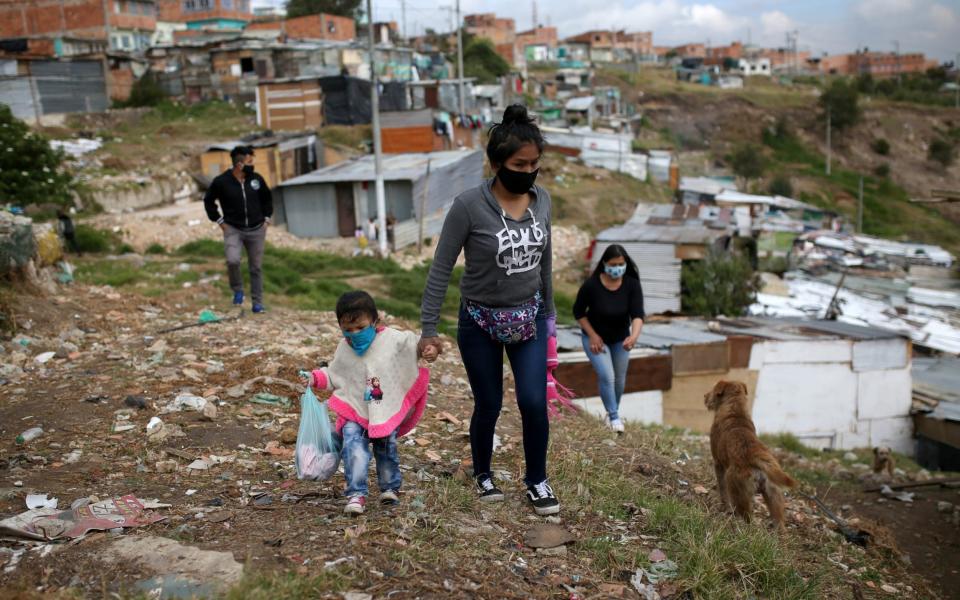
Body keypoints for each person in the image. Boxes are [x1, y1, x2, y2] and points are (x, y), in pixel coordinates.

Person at [419, 104, 560, 516]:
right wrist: (429, 328)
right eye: (520, 164)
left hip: (529, 317)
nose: (529, 170)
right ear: (497, 163)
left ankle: (537, 480)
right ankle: (482, 472)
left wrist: (549, 319)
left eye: (535, 163)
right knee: (490, 403)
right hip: (479, 320)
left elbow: (545, 262)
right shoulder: (468, 206)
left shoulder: (543, 201)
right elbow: (441, 268)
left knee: (534, 402)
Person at [306, 291, 437, 515]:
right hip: (354, 410)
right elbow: (334, 375)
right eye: (348, 329)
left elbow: (414, 347)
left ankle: (389, 488)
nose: (354, 334)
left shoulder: (392, 340)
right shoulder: (344, 348)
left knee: (386, 449)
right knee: (353, 449)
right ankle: (356, 494)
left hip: (382, 409)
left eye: (360, 327)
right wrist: (314, 378)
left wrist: (430, 349)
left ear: (375, 322)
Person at [572, 244, 645, 433]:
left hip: (620, 340)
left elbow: (638, 315)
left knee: (619, 380)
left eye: (621, 264)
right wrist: (593, 335)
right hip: (595, 339)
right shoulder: (591, 285)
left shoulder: (631, 285)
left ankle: (612, 414)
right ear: (604, 263)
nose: (617, 268)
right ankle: (614, 418)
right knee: (607, 376)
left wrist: (634, 336)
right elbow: (578, 312)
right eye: (613, 264)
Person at [203, 145, 272, 313]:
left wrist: (266, 220)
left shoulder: (256, 179)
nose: (252, 164)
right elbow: (208, 201)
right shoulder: (221, 182)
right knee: (233, 260)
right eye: (250, 161)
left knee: (255, 267)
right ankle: (238, 290)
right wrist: (220, 221)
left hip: (257, 229)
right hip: (233, 229)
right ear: (240, 164)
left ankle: (257, 303)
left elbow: (267, 199)